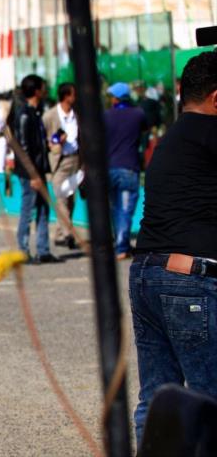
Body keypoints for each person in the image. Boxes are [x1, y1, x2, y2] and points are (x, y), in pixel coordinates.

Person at [129, 49, 217, 444]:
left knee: (157, 396)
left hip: (147, 273)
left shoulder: (172, 138)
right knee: (207, 401)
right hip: (191, 280)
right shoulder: (211, 134)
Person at [13, 75, 60, 264]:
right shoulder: (24, 114)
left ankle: (43, 249)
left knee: (43, 209)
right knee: (28, 210)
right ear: (36, 90)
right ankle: (23, 250)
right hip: (30, 173)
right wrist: (32, 174)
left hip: (38, 169)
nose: (45, 89)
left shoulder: (36, 112)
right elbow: (24, 148)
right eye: (43, 86)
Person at [104, 82, 147, 260]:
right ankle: (122, 245)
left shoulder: (105, 115)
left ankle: (121, 244)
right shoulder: (138, 114)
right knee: (126, 209)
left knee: (115, 208)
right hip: (129, 166)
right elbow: (144, 132)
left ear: (115, 98)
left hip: (110, 166)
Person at [43, 82, 80, 249]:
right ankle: (68, 233)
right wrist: (54, 143)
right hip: (58, 161)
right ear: (66, 96)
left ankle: (59, 233)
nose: (76, 97)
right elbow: (43, 139)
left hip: (76, 160)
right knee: (61, 198)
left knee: (71, 199)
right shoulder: (50, 116)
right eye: (73, 94)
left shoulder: (77, 115)